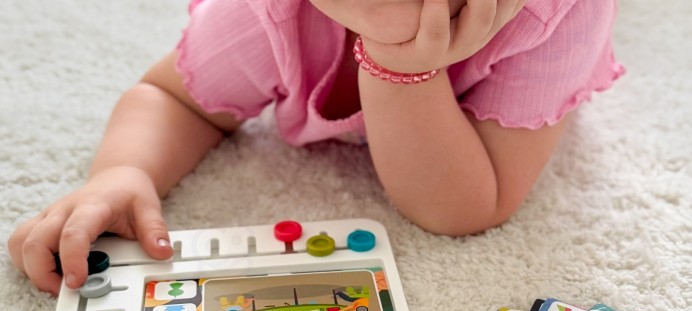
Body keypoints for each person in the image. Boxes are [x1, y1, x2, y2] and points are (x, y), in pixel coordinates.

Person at [8, 0, 624, 294]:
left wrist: (400, 68)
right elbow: (174, 98)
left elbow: (466, 205)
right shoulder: (271, 13)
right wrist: (122, 171)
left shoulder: (557, 16)